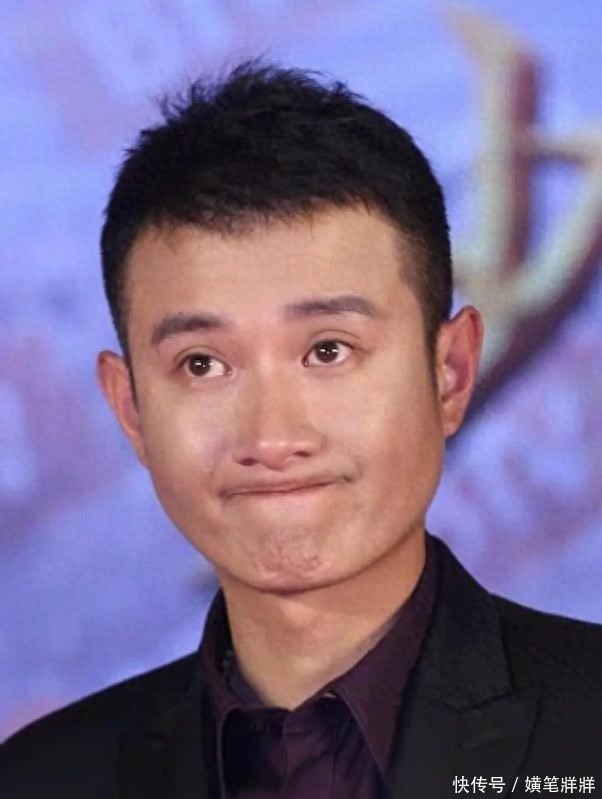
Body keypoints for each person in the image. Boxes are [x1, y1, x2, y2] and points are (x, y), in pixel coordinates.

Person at [2, 60, 601, 799]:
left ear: (449, 372)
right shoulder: (43, 779)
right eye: (202, 364)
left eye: (328, 351)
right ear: (131, 409)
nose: (271, 435)